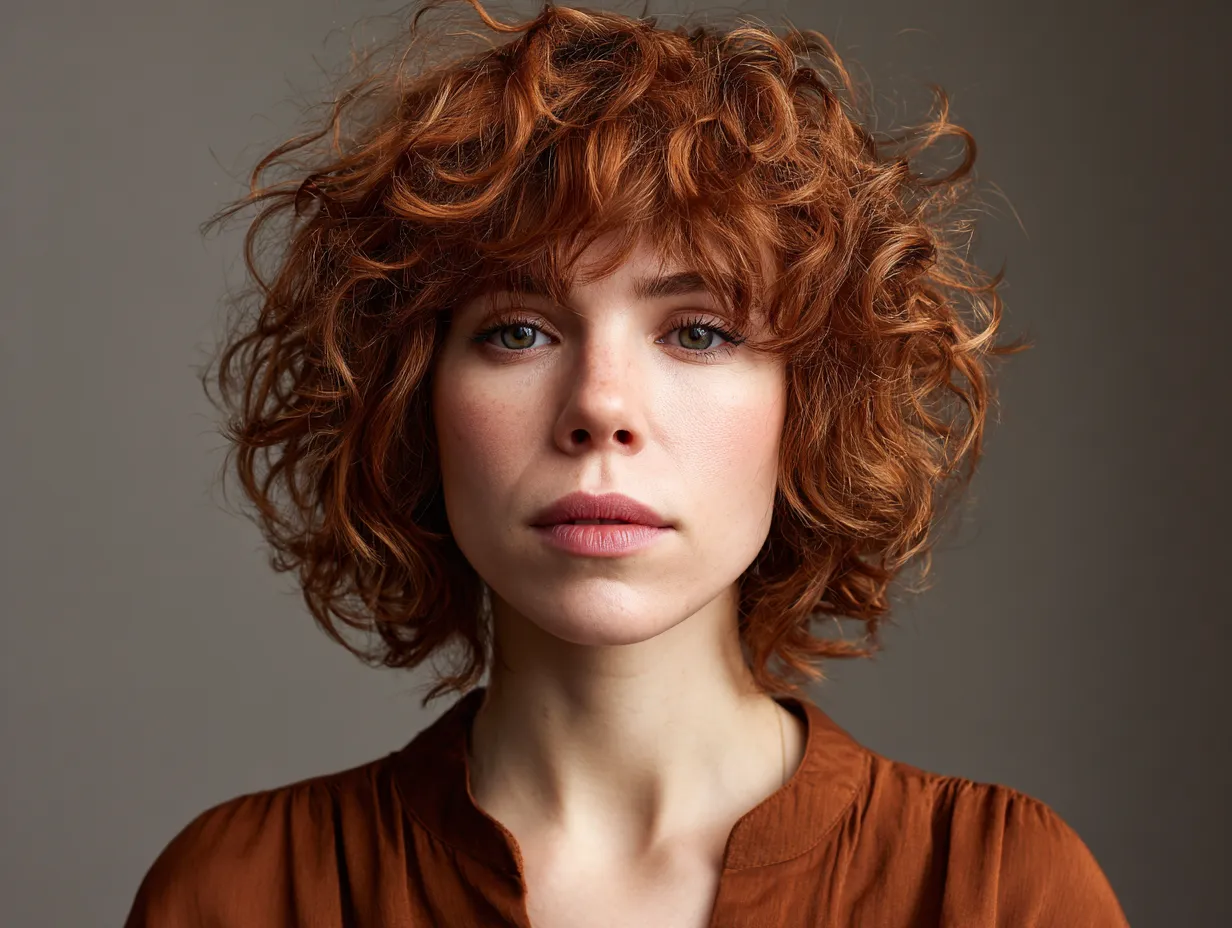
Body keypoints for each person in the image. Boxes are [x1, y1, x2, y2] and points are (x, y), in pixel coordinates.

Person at [124, 1, 1129, 925]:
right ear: (411, 397)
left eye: (697, 332)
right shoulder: (241, 895)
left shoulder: (999, 890)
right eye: (517, 331)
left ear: (811, 407)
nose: (600, 406)